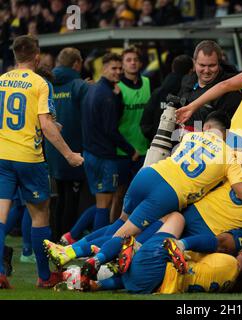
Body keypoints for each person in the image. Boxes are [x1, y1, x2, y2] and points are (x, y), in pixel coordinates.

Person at [78, 111, 242, 280]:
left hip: (156, 180)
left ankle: (76, 251)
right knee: (149, 252)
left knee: (125, 229)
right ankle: (98, 268)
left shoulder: (200, 139)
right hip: (192, 216)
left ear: (206, 127)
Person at [0, 35, 83, 289]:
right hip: (29, 158)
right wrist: (69, 155)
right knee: (40, 215)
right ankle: (45, 277)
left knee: (1, 216)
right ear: (37, 56)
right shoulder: (40, 83)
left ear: (15, 57)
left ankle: (0, 272)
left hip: (3, 156)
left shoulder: (1, 81)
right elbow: (46, 124)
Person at [80, 212, 242, 294]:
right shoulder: (228, 285)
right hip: (146, 285)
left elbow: (196, 255)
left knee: (175, 217)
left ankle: (100, 257)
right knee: (134, 272)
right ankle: (98, 285)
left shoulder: (228, 261)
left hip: (157, 260)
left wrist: (182, 245)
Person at [81, 52, 139, 238]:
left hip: (90, 152)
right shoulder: (106, 95)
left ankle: (74, 236)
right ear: (103, 68)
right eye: (114, 68)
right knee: (104, 205)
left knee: (101, 202)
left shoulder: (94, 89)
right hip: (103, 156)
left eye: (119, 68)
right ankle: (96, 245)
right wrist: (131, 150)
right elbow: (110, 130)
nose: (118, 72)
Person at [46, 47, 90, 241]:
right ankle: (67, 237)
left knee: (59, 195)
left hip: (51, 150)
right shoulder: (80, 86)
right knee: (72, 197)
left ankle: (56, 236)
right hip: (74, 149)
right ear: (76, 64)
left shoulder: (47, 84)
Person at [111, 47, 151, 222]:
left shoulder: (148, 83)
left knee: (143, 193)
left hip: (145, 148)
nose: (133, 62)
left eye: (135, 59)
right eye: (128, 60)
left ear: (140, 63)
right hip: (123, 150)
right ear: (122, 65)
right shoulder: (116, 88)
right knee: (120, 194)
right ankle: (113, 229)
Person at [177, 40, 242, 131]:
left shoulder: (230, 90)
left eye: (211, 65)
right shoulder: (187, 81)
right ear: (194, 62)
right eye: (202, 65)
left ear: (219, 64)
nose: (206, 70)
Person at [140, 54, 193, 143]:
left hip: (158, 147)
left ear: (172, 69)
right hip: (183, 147)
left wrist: (156, 138)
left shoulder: (158, 93)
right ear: (191, 72)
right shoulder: (192, 94)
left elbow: (145, 123)